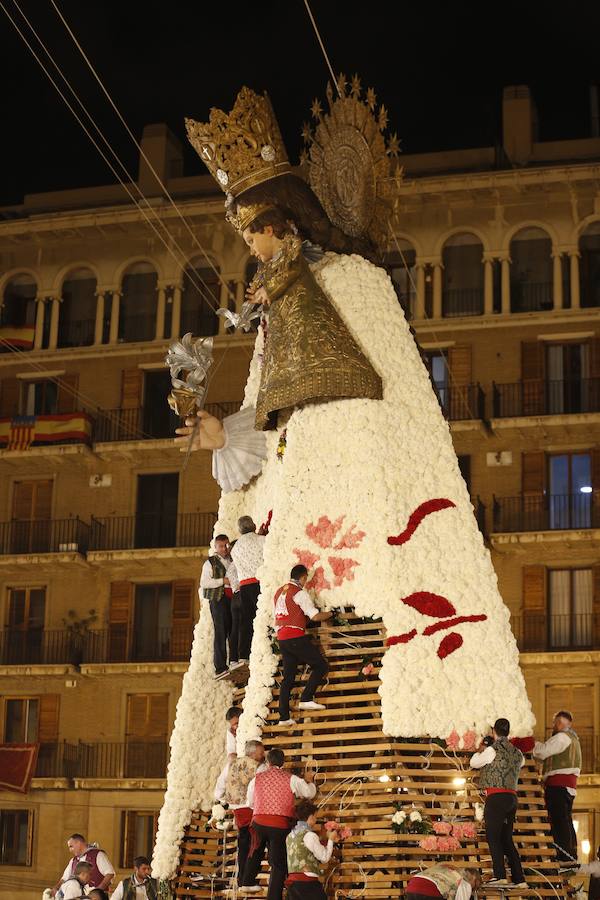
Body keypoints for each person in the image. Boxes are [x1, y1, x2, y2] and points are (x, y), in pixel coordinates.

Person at [242, 748, 317, 900]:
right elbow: (309, 793)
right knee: (278, 862)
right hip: (279, 824)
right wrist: (310, 781)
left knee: (254, 851)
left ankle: (247, 882)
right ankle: (273, 896)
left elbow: (250, 802)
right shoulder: (290, 778)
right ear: (283, 762)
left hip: (258, 821)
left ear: (268, 762)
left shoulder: (257, 778)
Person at [470, 718, 527, 888]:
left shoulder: (491, 750)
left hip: (496, 798)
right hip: (512, 799)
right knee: (507, 839)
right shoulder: (518, 753)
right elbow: (520, 764)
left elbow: (474, 763)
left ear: (494, 731)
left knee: (493, 837)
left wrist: (480, 749)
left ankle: (500, 875)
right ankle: (519, 879)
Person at [274, 564, 331, 726]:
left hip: (282, 638)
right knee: (320, 665)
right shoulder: (299, 593)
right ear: (303, 577)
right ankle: (306, 698)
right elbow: (315, 616)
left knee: (288, 678)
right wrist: (331, 613)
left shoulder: (279, 592)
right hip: (295, 636)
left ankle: (283, 716)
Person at [533, 709, 582, 862]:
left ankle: (564, 855)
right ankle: (570, 853)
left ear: (560, 723)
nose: (553, 726)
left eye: (554, 723)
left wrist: (531, 744)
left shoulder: (562, 737)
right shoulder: (574, 738)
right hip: (567, 787)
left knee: (559, 821)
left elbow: (543, 752)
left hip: (558, 786)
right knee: (565, 820)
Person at [221, 740, 267, 888]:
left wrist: (226, 800)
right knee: (255, 844)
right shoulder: (259, 767)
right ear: (253, 753)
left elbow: (220, 786)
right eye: (261, 753)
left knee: (243, 845)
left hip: (237, 809)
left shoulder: (232, 764)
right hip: (250, 808)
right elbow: (259, 789)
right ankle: (248, 880)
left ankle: (242, 879)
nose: (263, 755)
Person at [200, 533, 239, 677]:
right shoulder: (209, 563)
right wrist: (223, 581)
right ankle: (220, 667)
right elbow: (204, 583)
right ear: (216, 547)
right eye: (221, 546)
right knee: (221, 631)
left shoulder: (232, 560)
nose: (224, 549)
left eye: (226, 545)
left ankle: (234, 660)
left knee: (233, 630)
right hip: (218, 600)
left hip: (232, 600)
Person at [230, 516, 266, 663]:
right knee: (263, 617)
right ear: (254, 524)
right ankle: (264, 651)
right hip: (259, 583)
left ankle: (244, 655)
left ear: (239, 530)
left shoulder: (235, 547)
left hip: (244, 586)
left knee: (246, 621)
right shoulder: (261, 540)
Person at [285, 799, 336, 900]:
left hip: (293, 883)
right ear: (311, 817)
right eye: (316, 816)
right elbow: (324, 858)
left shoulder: (290, 836)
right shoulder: (309, 835)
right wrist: (331, 839)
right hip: (307, 883)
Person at [405, 865, 481, 900]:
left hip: (411, 887)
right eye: (474, 887)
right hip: (429, 891)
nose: (472, 890)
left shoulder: (451, 871)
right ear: (474, 879)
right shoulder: (464, 883)